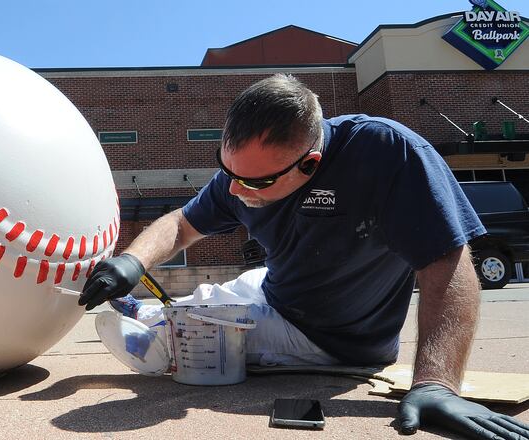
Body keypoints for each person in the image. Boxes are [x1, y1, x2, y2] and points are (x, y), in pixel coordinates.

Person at [78, 74, 529, 439]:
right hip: (273, 287)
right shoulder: (242, 175)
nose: (235, 190)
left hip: (327, 337)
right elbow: (181, 223)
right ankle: (150, 308)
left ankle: (156, 324)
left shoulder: (388, 154)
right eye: (227, 169)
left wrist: (437, 382)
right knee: (202, 299)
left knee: (182, 342)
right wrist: (132, 262)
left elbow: (448, 264)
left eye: (254, 183)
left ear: (310, 164)